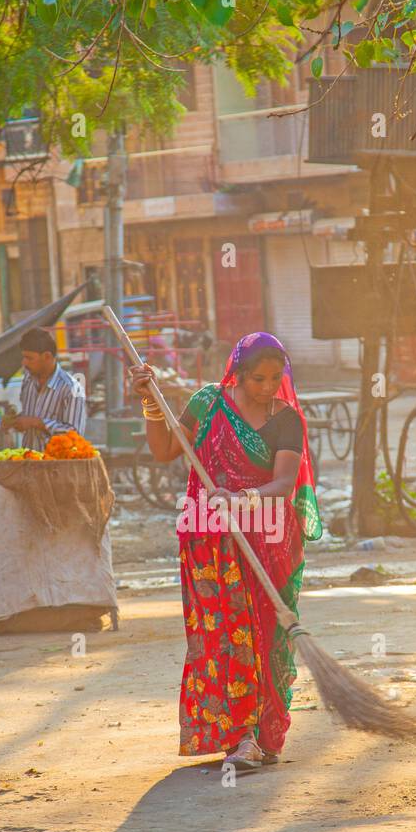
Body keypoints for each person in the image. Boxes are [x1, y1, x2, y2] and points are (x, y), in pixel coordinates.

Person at [129, 331, 322, 773]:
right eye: (258, 379)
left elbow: (283, 484)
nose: (267, 388)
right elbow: (163, 450)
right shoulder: (208, 404)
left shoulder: (286, 419)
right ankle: (241, 737)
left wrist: (241, 498)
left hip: (267, 539)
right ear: (237, 372)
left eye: (276, 379)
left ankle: (265, 733)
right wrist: (150, 402)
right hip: (211, 540)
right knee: (224, 634)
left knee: (264, 635)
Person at [2, 327, 87, 451]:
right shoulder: (28, 380)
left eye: (29, 358)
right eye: (23, 357)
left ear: (47, 356)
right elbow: (31, 416)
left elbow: (75, 436)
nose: (24, 363)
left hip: (57, 466)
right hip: (29, 462)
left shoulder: (71, 388)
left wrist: (37, 423)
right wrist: (15, 422)